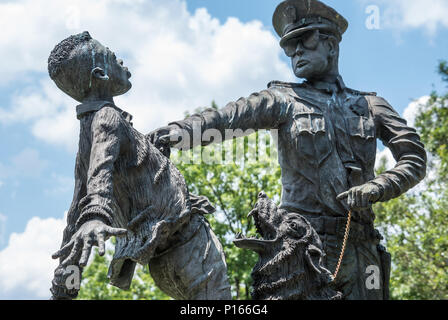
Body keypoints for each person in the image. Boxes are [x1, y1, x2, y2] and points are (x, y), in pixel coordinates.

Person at [149, 0, 427, 299]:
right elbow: (227, 118)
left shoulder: (371, 106)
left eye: (304, 41)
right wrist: (176, 133)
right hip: (301, 251)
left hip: (360, 252)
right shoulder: (283, 99)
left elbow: (414, 158)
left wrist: (378, 187)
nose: (296, 52)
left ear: (331, 45)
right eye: (289, 47)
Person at [48, 32, 231, 300]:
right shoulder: (108, 117)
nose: (120, 59)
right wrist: (96, 214)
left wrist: (67, 277)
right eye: (111, 56)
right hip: (189, 243)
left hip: (161, 258)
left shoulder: (87, 137)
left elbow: (76, 209)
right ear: (100, 75)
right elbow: (98, 182)